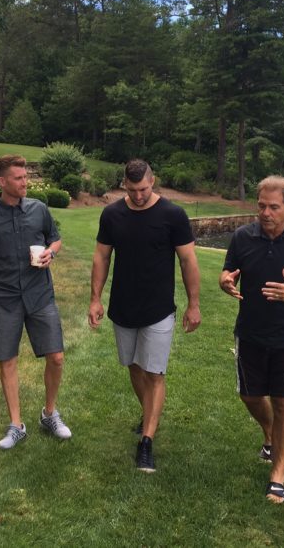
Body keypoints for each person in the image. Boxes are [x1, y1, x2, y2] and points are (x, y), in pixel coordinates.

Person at [89, 159, 201, 473]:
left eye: (144, 189)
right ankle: (148, 413)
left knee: (155, 373)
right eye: (132, 189)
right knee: (135, 368)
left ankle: (147, 442)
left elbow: (188, 261)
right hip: (123, 307)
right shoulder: (112, 214)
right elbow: (101, 256)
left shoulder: (172, 215)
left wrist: (194, 304)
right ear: (123, 184)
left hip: (158, 308)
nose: (139, 195)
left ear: (153, 182)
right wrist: (95, 299)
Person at [219, 175, 284, 504]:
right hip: (250, 331)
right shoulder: (242, 237)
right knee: (250, 396)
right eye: (262, 206)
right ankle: (269, 434)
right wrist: (225, 281)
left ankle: (277, 475)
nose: (266, 213)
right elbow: (228, 271)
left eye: (274, 207)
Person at [0, 154, 71, 450]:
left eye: (25, 177)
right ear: (2, 182)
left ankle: (49, 414)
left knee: (57, 357)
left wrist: (51, 253)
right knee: (8, 360)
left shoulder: (39, 209)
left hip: (40, 294)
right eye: (18, 178)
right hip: (5, 299)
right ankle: (16, 425)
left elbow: (55, 239)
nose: (25, 182)